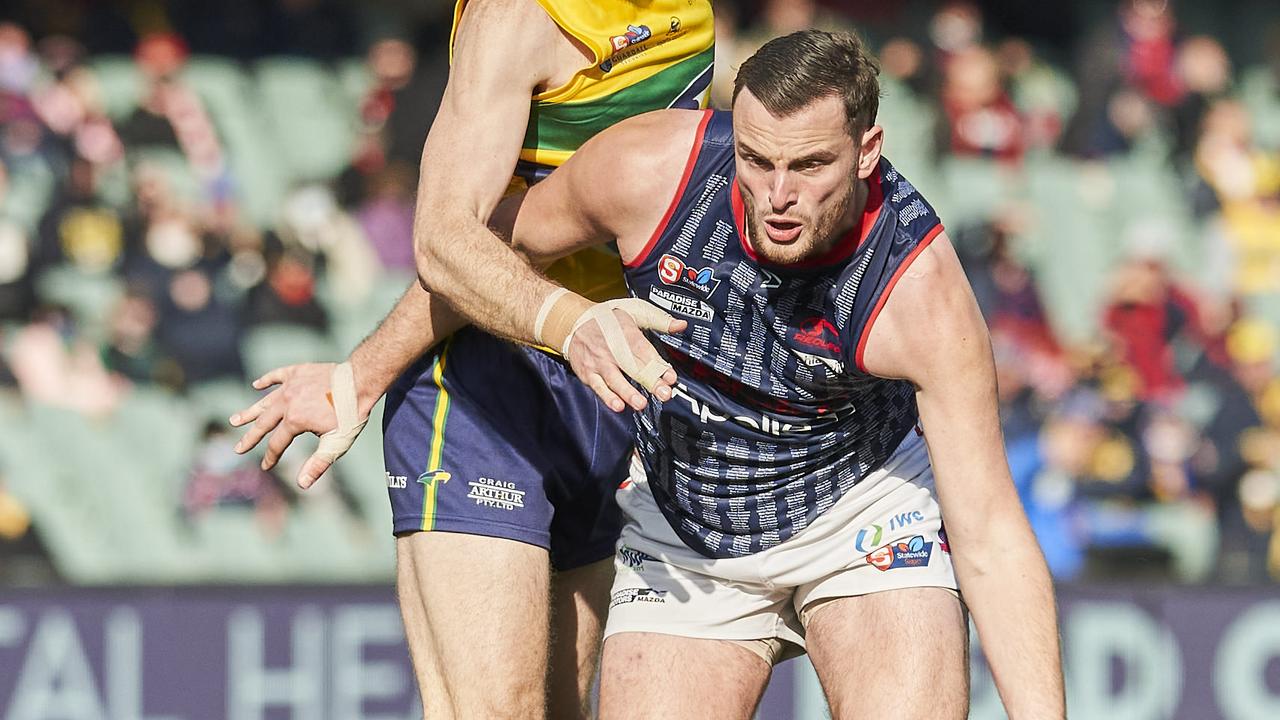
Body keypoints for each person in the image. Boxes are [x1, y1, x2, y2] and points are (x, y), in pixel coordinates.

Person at [414, 30, 1066, 718]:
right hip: (686, 522)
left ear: (867, 151)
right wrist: (365, 373)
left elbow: (991, 533)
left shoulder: (918, 291)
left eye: (811, 165)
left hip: (863, 509)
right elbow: (478, 250)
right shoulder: (652, 169)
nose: (777, 195)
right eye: (757, 160)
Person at [229, 1, 713, 717]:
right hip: (484, 385)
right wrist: (565, 322)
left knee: (560, 708)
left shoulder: (692, 12)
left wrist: (360, 375)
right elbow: (447, 242)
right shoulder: (517, 18)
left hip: (611, 382)